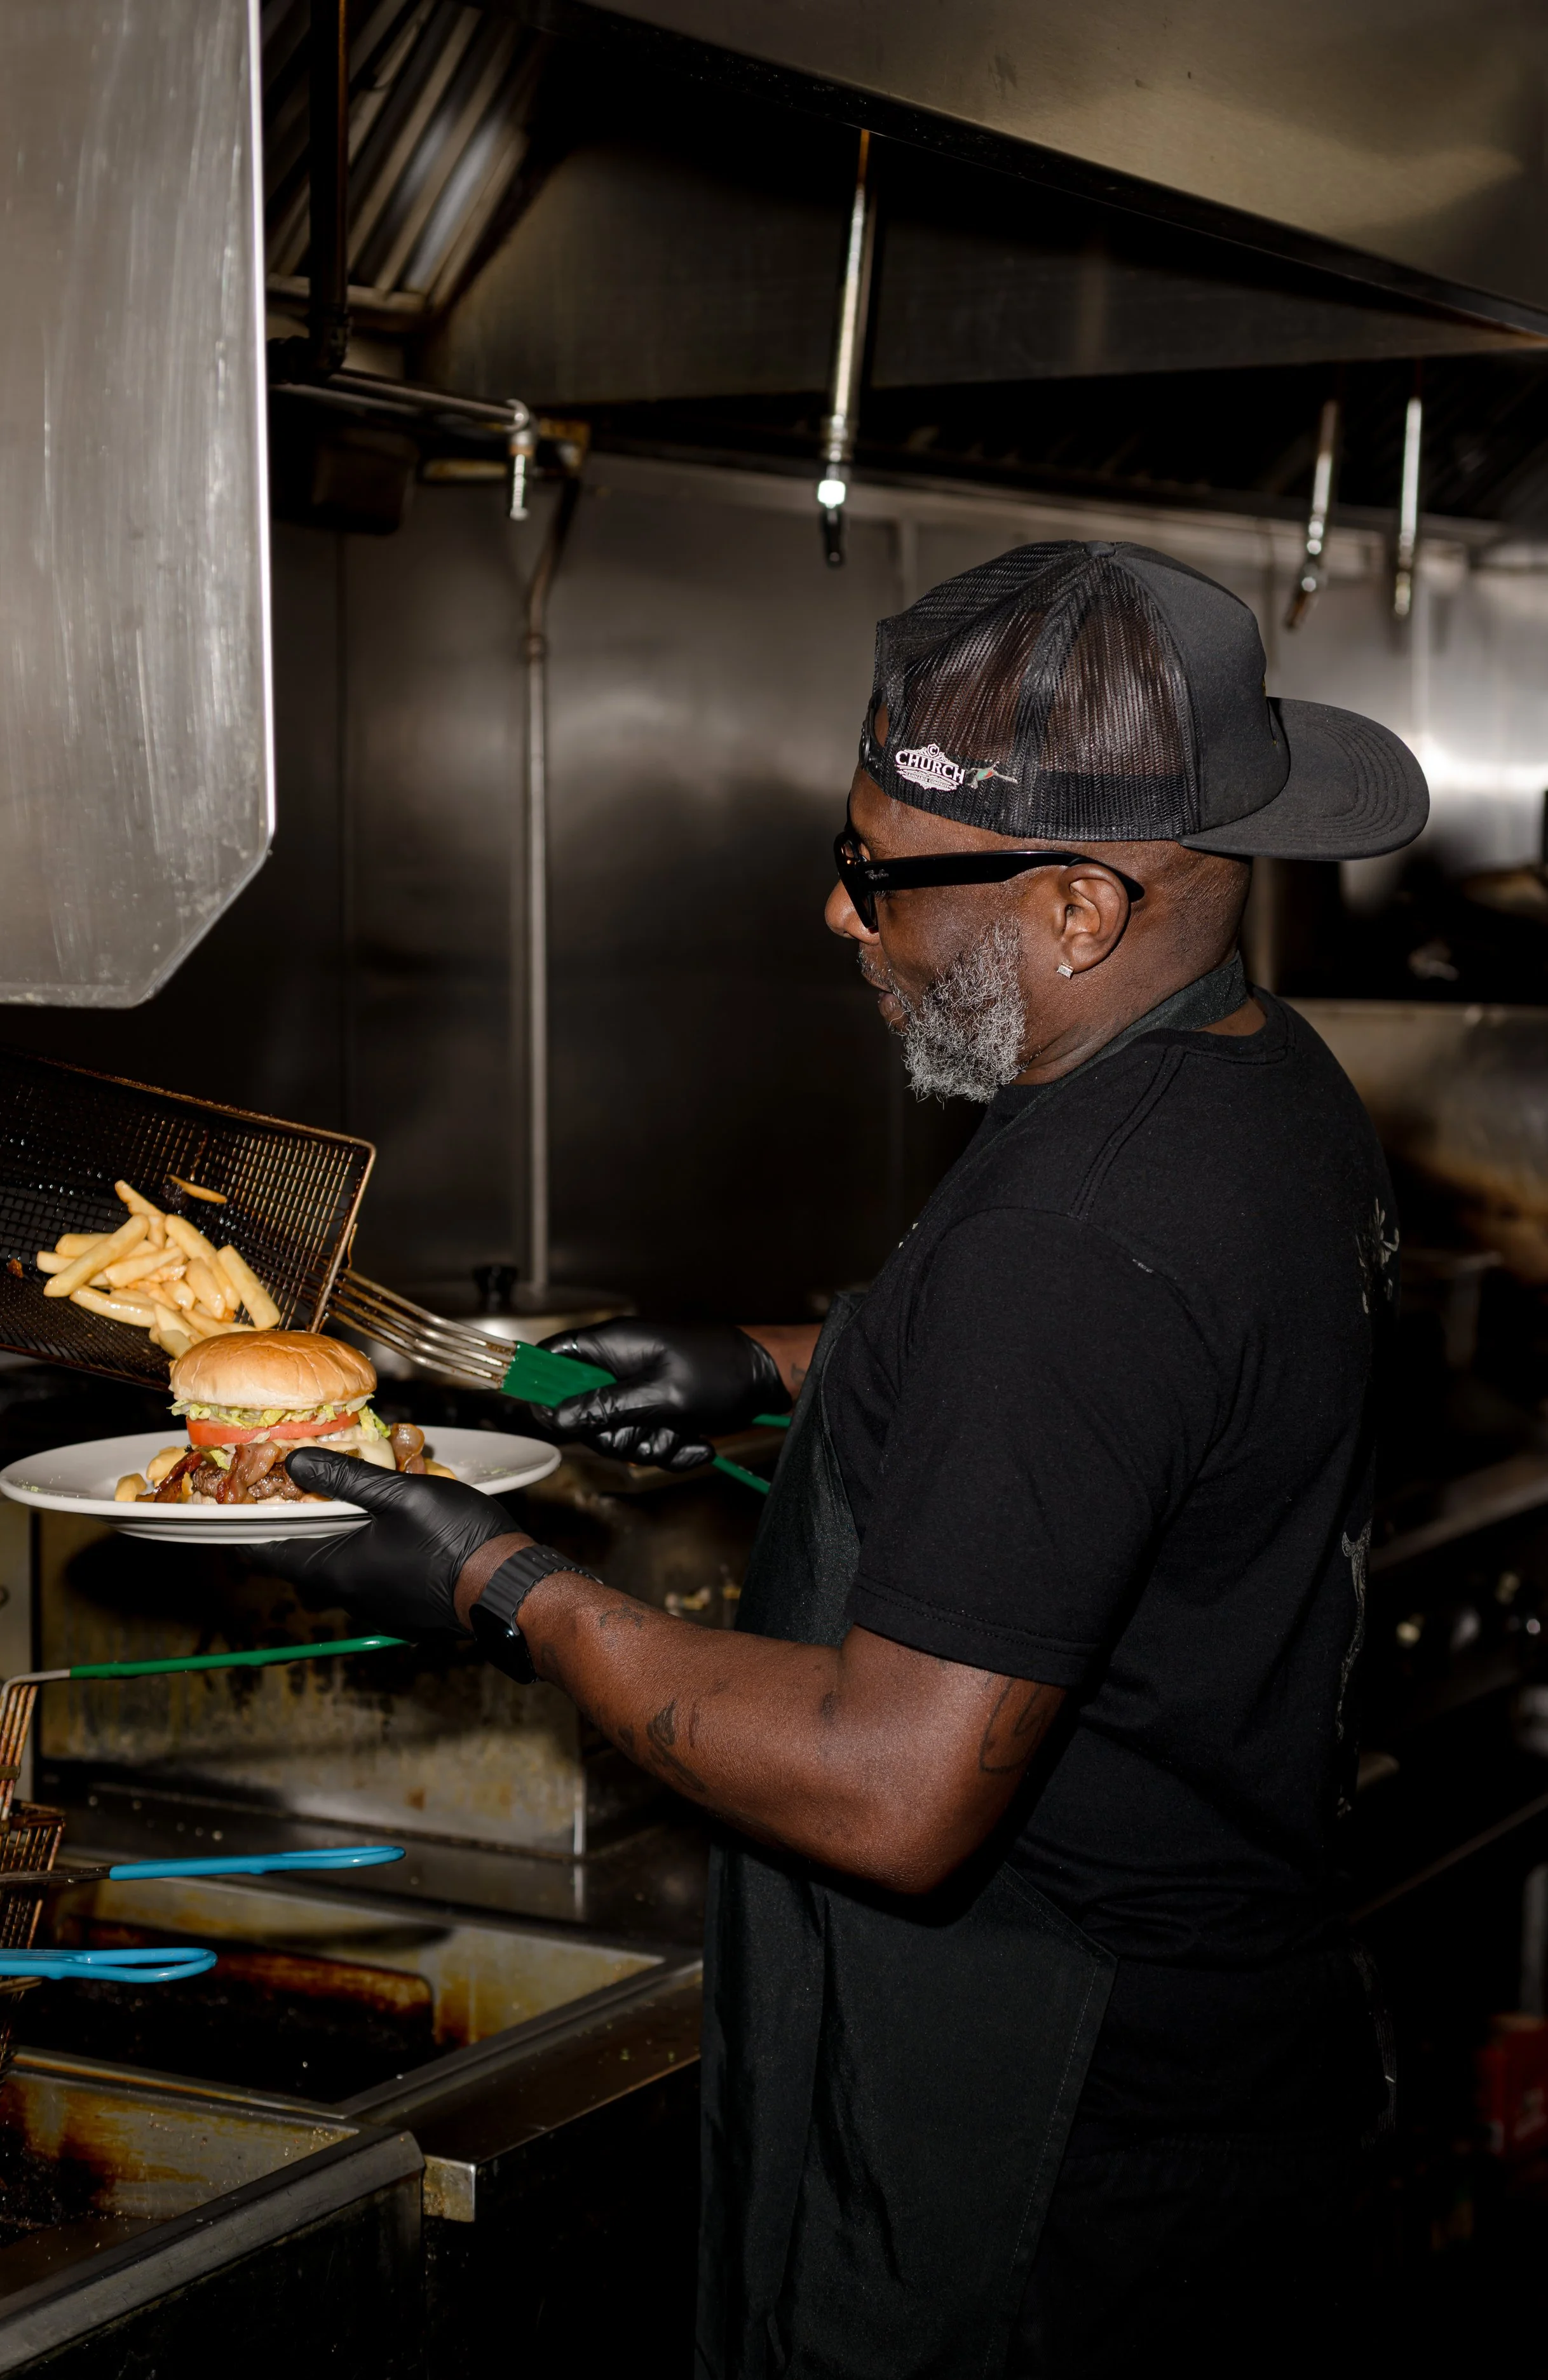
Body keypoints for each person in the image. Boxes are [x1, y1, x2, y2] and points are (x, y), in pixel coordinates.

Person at [265, 540, 1425, 2377]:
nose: (837, 919)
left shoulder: (1077, 1236)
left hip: (1047, 2153)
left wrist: (500, 1590)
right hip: (1227, 2078)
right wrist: (755, 1367)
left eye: (873, 877)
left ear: (1073, 906)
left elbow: (896, 1791)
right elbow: (1093, 1399)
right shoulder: (1247, 1081)